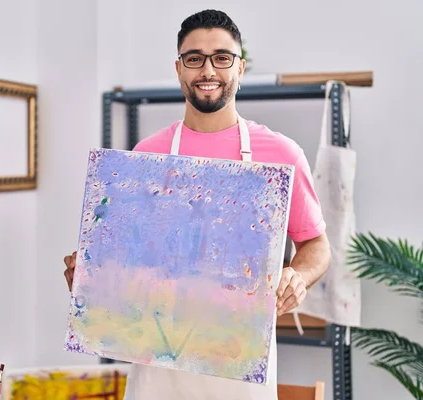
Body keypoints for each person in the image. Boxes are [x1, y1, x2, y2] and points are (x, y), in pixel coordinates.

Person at [63, 9, 331, 400]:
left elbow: (317, 245)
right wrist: (92, 280)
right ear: (179, 69)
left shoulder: (280, 154)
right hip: (157, 373)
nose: (208, 70)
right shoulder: (146, 155)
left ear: (239, 68)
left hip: (240, 372)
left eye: (222, 58)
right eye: (195, 59)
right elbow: (127, 264)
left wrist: (298, 277)